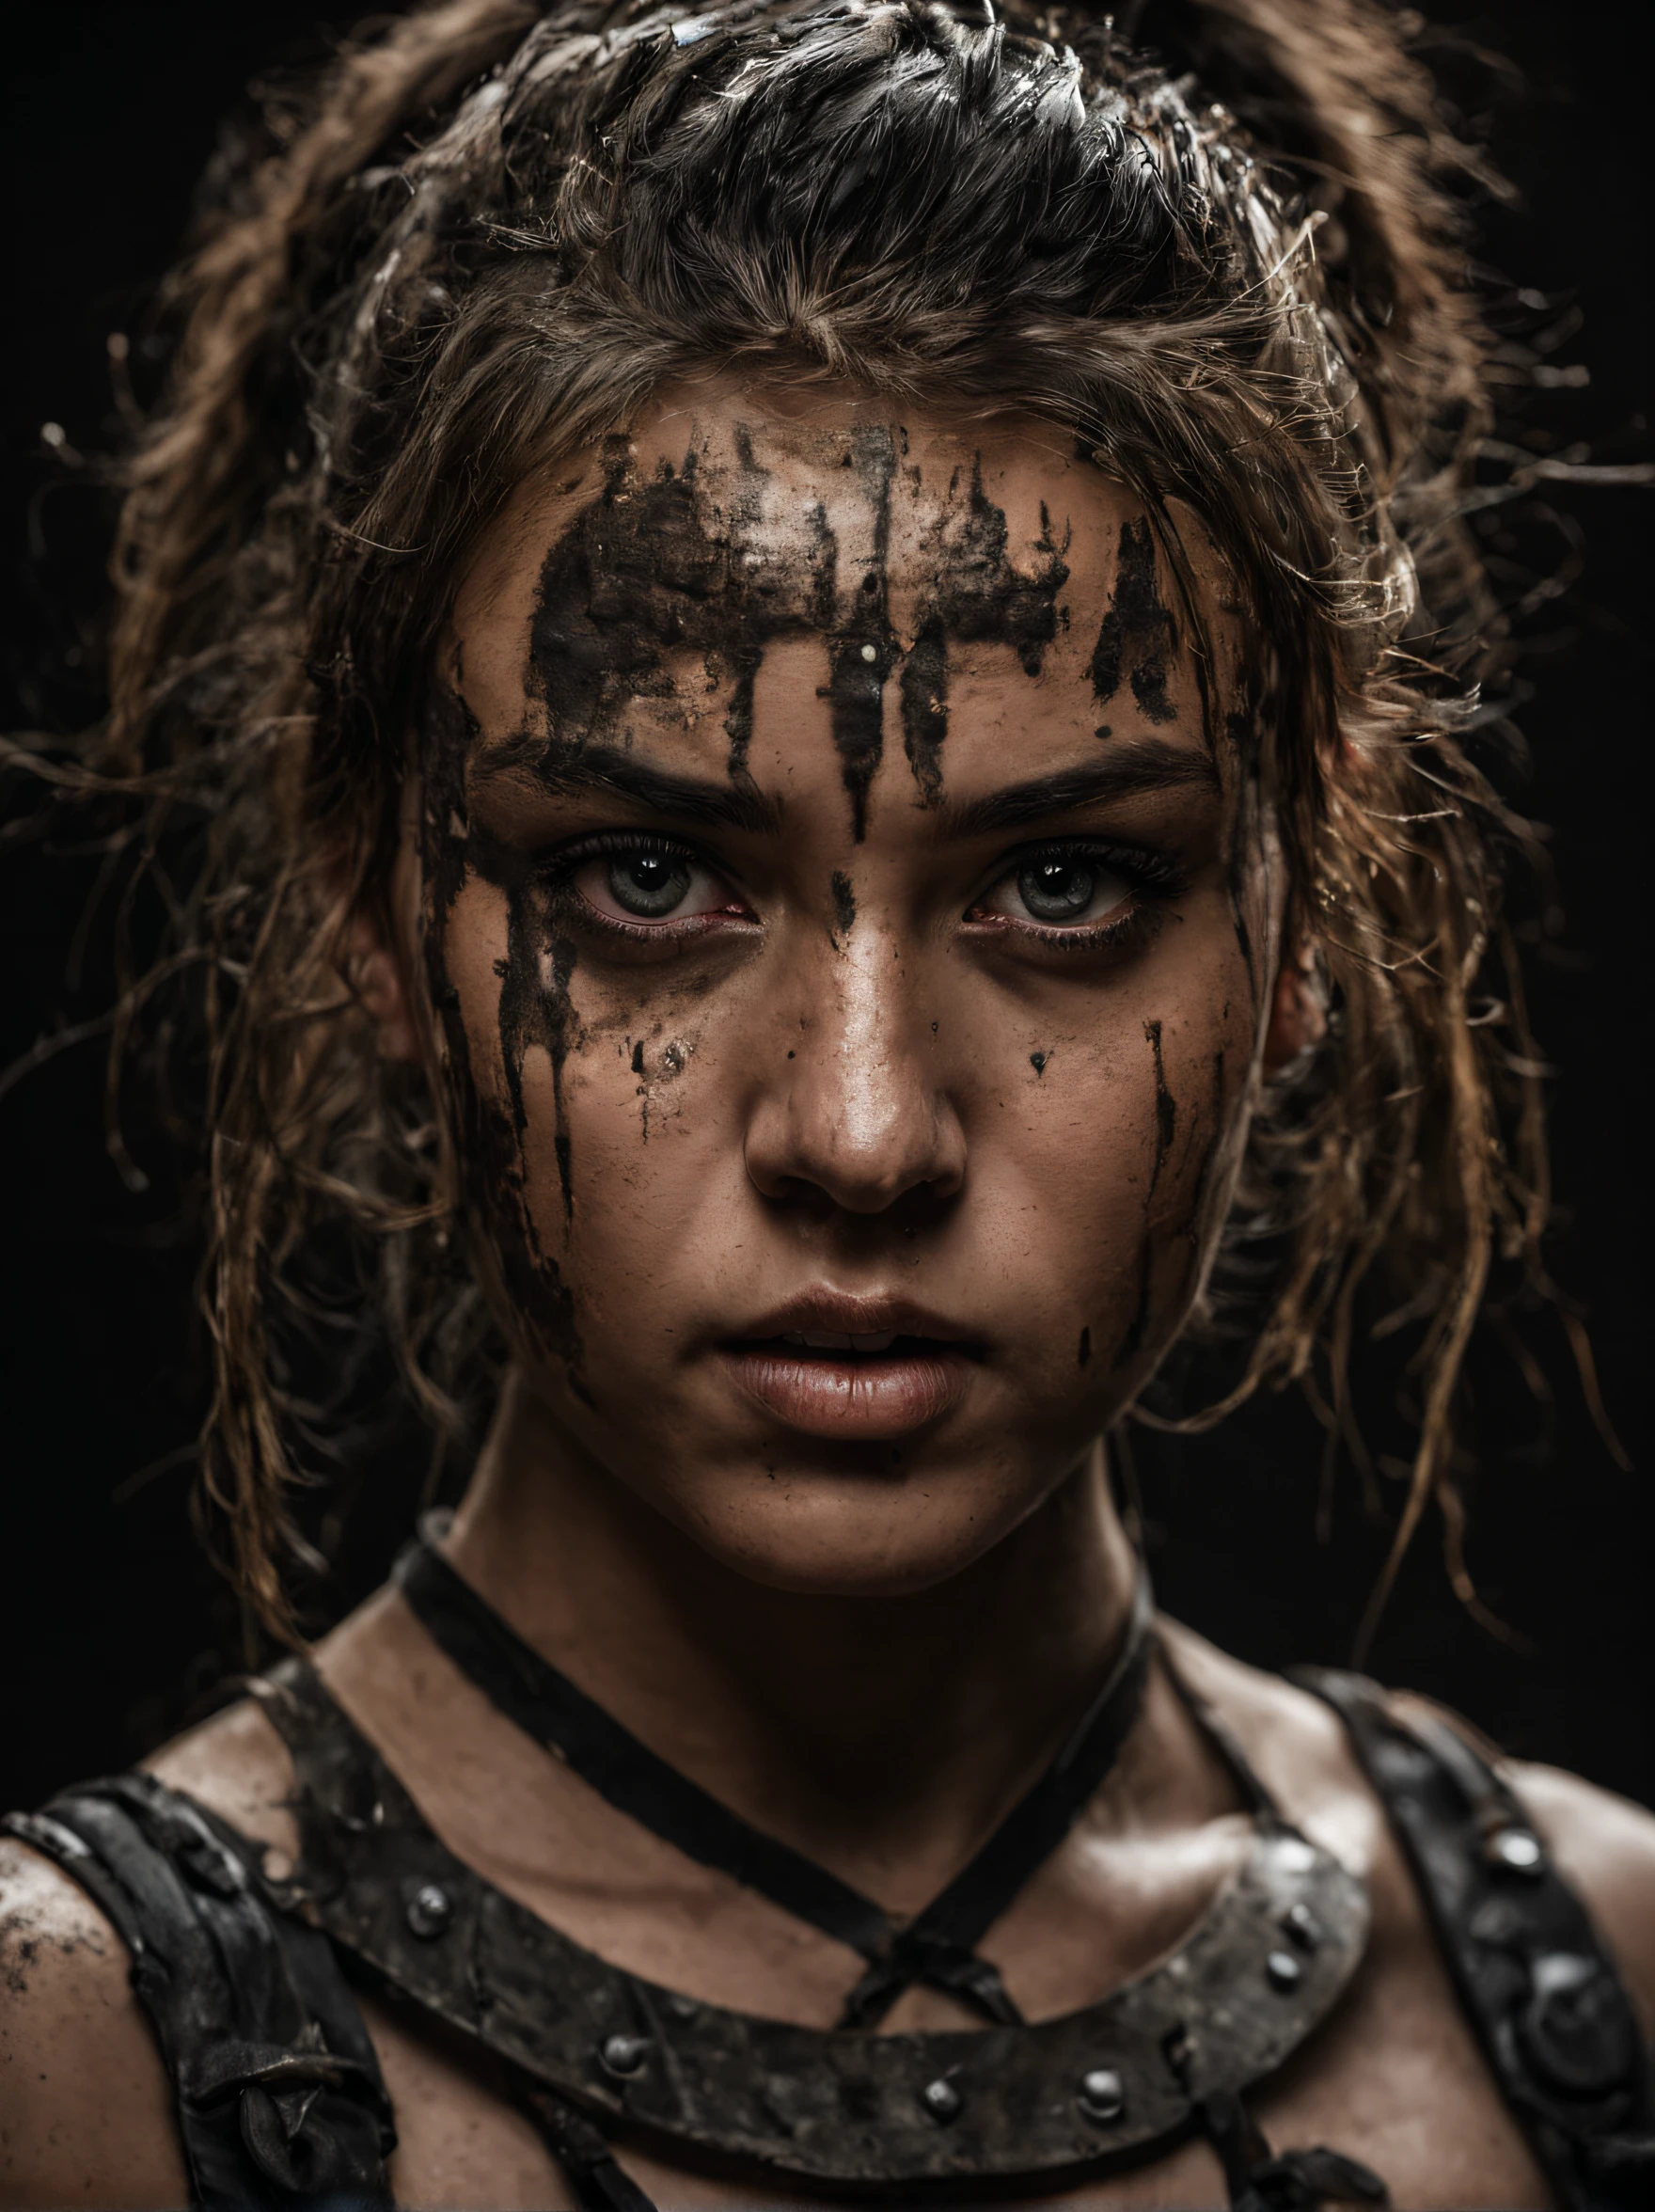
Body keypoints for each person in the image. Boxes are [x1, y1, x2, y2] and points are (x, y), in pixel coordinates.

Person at [2, 1, 1651, 2205]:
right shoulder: (66, 2078)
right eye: (648, 878)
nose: (864, 1137)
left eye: (1067, 885)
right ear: (371, 906)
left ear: (1300, 909)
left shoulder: (1599, 2003)